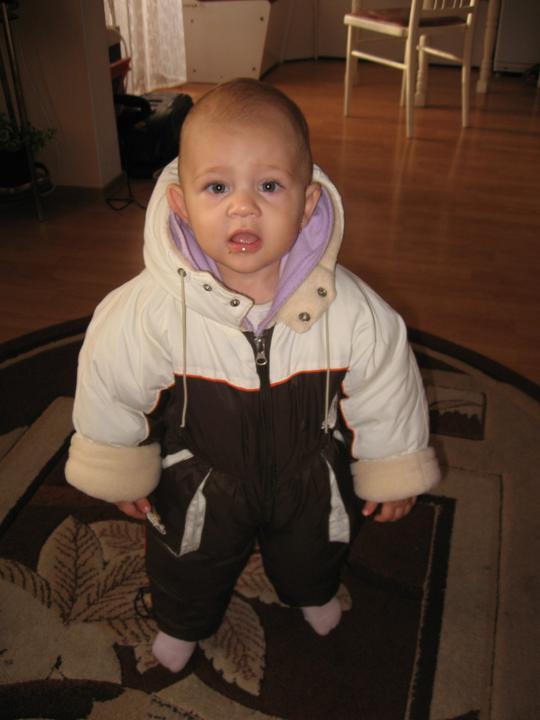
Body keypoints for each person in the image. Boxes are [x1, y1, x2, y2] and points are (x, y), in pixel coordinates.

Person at [65, 78, 440, 674]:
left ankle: (312, 590)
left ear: (307, 204)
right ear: (181, 204)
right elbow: (110, 383)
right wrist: (116, 460)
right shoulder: (148, 311)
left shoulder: (352, 310)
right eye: (217, 187)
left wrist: (393, 464)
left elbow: (388, 387)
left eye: (269, 185)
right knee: (186, 557)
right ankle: (183, 620)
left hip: (309, 468)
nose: (243, 207)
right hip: (200, 473)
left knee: (317, 544)